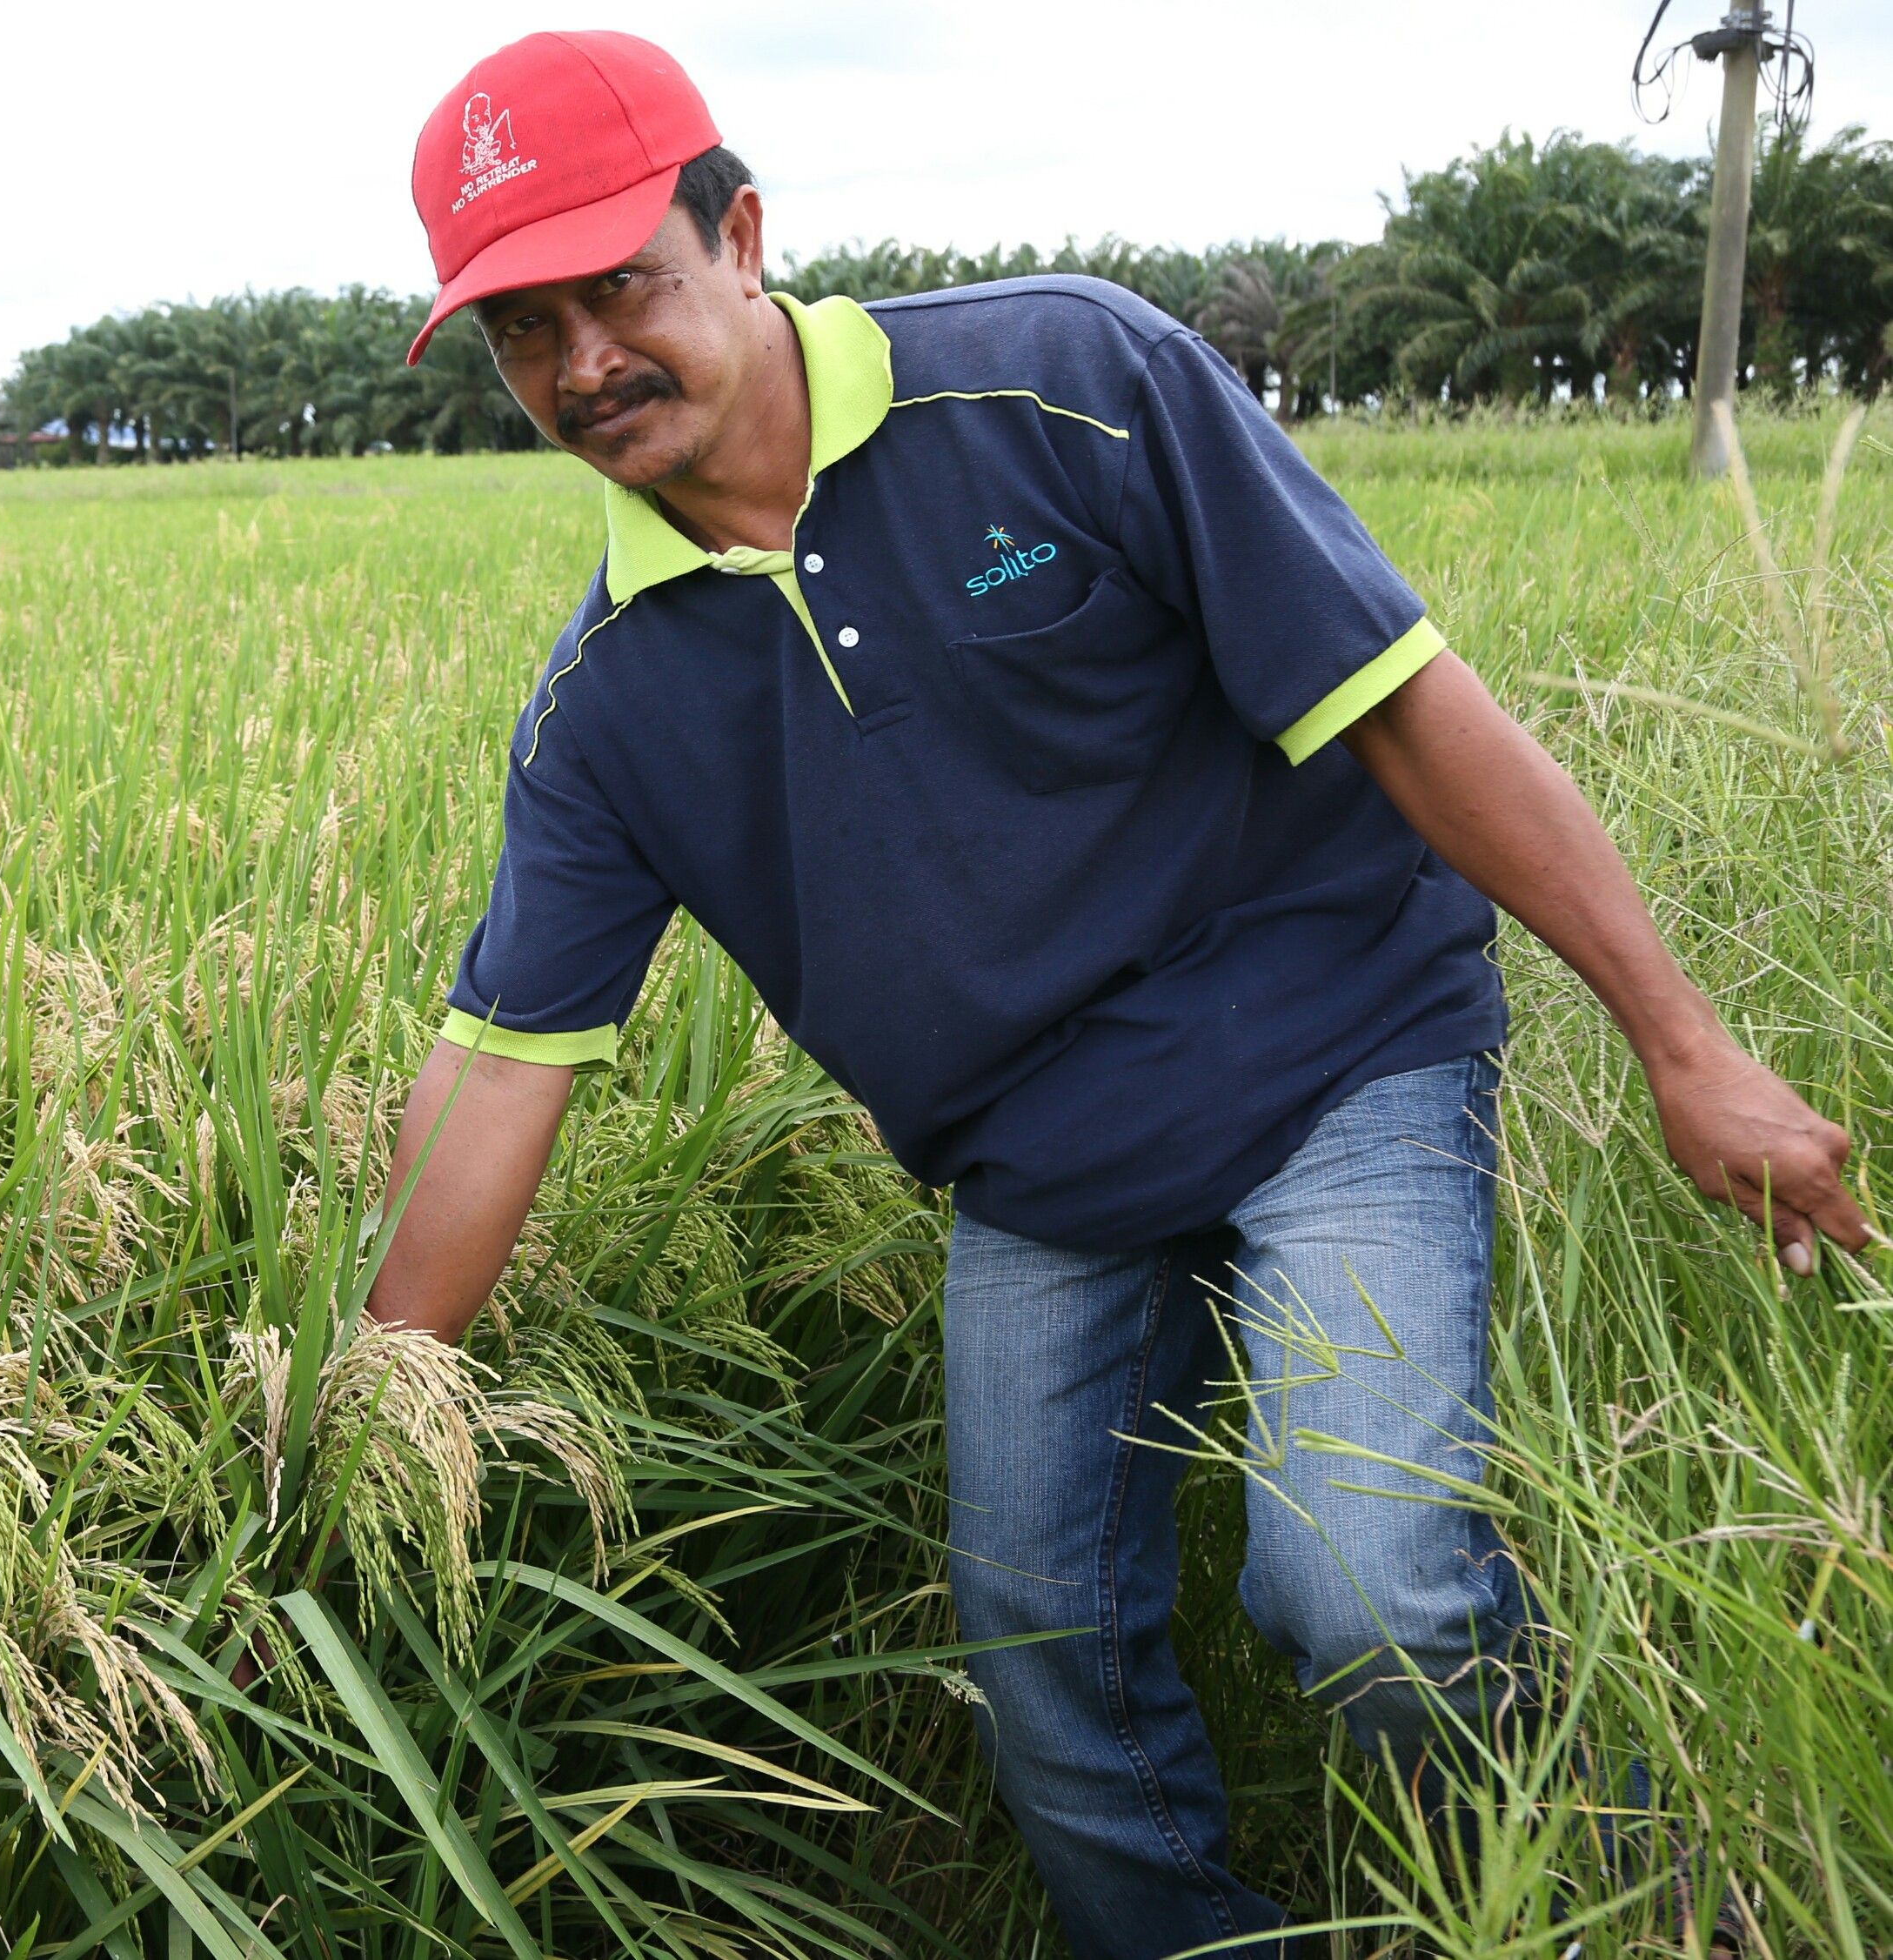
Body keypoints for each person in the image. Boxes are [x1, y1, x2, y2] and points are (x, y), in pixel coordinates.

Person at [366, 29, 1874, 1960]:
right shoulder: (605, 711)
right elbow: (498, 1073)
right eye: (519, 329)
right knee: (1043, 1657)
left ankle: (1651, 1916)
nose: (581, 363)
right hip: (1040, 1169)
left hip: (1339, 1050)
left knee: (1369, 1585)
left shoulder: (1064, 382)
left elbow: (1404, 705)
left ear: (739, 234)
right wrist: (359, 1405)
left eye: (617, 287)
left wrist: (1685, 1042)